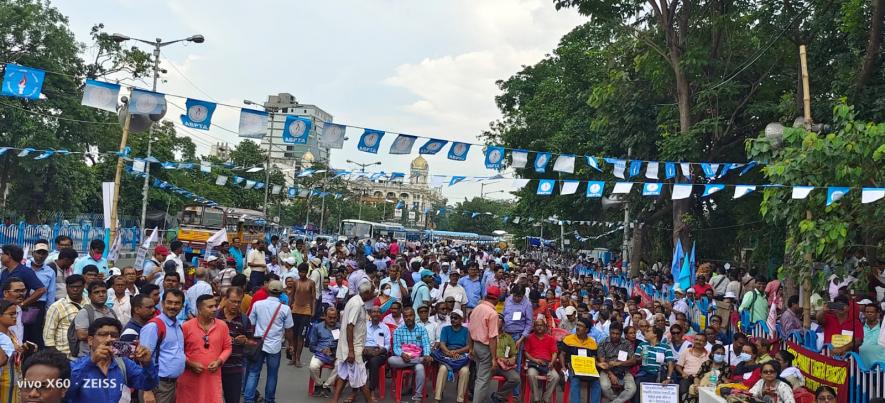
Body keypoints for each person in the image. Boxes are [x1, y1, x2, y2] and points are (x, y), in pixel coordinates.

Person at [177, 294, 232, 403]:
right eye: (210, 307)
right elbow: (178, 351)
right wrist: (190, 363)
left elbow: (227, 347)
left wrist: (219, 361)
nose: (214, 309)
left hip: (212, 378)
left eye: (215, 306)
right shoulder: (186, 326)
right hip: (190, 378)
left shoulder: (222, 326)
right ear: (200, 309)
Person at [245, 280, 293, 403]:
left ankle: (248, 399)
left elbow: (251, 324)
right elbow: (288, 330)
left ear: (268, 290)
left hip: (258, 344)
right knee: (272, 375)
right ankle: (269, 400)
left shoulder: (257, 305)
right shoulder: (285, 309)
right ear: (281, 292)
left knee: (253, 372)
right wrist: (290, 345)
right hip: (275, 346)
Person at [331, 282, 377, 403]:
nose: (373, 294)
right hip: (353, 349)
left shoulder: (356, 301)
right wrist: (351, 351)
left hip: (351, 347)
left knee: (343, 375)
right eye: (371, 292)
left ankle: (334, 400)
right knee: (361, 379)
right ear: (366, 293)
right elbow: (350, 327)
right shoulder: (356, 304)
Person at [139, 288, 186, 403]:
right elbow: (142, 359)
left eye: (177, 303)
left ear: (182, 306)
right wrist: (147, 390)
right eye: (169, 302)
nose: (173, 306)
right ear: (162, 303)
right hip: (157, 385)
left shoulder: (177, 325)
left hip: (171, 384)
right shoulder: (154, 326)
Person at [387, 306, 432, 401]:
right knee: (390, 360)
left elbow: (426, 344)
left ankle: (418, 396)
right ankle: (420, 360)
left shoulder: (421, 329)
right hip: (403, 359)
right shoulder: (398, 330)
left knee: (420, 369)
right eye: (406, 316)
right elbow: (396, 347)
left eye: (410, 315)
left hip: (417, 356)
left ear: (414, 316)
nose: (408, 318)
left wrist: (427, 354)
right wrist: (402, 354)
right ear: (403, 317)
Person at [468, 285, 500, 403]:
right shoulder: (493, 313)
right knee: (482, 380)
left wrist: (471, 348)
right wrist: (493, 358)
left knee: (479, 378)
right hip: (485, 348)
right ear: (496, 299)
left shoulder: (477, 308)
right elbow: (492, 338)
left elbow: (470, 331)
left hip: (476, 345)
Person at [218, 286, 251, 403]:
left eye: (239, 302)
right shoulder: (215, 317)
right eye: (233, 301)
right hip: (215, 368)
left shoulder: (244, 319)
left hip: (235, 369)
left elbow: (252, 342)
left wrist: (245, 341)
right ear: (225, 299)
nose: (236, 305)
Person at [559, 318, 602, 403]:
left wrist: (598, 365)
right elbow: (562, 354)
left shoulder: (592, 342)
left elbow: (593, 357)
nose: (577, 327)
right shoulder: (568, 339)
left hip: (588, 370)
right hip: (573, 369)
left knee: (596, 383)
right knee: (575, 381)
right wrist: (563, 367)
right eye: (577, 325)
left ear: (587, 330)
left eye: (581, 326)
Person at [432, 308, 470, 403]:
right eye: (452, 317)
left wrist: (457, 352)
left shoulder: (466, 331)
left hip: (461, 356)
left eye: (456, 318)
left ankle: (460, 399)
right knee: (442, 369)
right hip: (447, 356)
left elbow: (469, 346)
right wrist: (449, 353)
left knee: (465, 371)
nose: (453, 319)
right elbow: (442, 344)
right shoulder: (446, 329)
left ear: (461, 320)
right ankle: (437, 398)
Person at [43, 274, 84, 358]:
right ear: (66, 287)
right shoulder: (57, 306)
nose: (75, 289)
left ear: (84, 287)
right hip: (64, 355)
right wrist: (57, 357)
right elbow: (48, 336)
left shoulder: (89, 303)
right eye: (71, 287)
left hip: (85, 355)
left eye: (78, 287)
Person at [73, 280, 118, 358]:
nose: (101, 295)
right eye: (96, 292)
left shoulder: (112, 312)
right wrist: (105, 335)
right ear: (89, 296)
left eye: (103, 292)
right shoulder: (85, 312)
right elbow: (81, 335)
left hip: (109, 356)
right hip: (88, 357)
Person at [25, 240, 54, 348]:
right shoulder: (24, 266)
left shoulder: (49, 271)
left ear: (47, 255)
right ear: (33, 253)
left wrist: (48, 312)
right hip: (24, 303)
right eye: (39, 252)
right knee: (22, 332)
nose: (41, 255)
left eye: (44, 253)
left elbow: (51, 293)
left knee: (36, 333)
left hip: (39, 305)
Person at [524, 317, 560, 403]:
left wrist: (552, 362)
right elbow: (526, 352)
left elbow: (554, 353)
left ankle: (545, 398)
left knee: (556, 377)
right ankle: (536, 399)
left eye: (541, 325)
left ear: (545, 327)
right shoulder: (529, 337)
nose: (539, 327)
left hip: (547, 363)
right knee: (531, 375)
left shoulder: (550, 339)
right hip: (534, 362)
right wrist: (535, 360)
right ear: (534, 327)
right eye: (537, 325)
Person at [307, 307, 339, 397]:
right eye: (330, 317)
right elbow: (312, 346)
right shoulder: (317, 327)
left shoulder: (340, 327)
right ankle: (319, 384)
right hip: (321, 354)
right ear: (325, 316)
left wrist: (334, 351)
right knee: (313, 366)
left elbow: (344, 344)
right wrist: (322, 350)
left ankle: (326, 386)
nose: (332, 320)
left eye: (334, 318)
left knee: (341, 366)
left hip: (336, 354)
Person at [291, 262, 316, 367]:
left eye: (303, 272)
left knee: (301, 336)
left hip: (306, 311)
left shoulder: (311, 283)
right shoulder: (295, 282)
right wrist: (289, 307)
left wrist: (313, 311)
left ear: (307, 272)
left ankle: (298, 359)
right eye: (300, 272)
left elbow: (314, 298)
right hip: (295, 310)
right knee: (294, 336)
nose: (301, 274)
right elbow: (291, 296)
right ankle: (292, 358)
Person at [491, 315, 520, 403]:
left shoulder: (508, 337)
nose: (497, 322)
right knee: (482, 377)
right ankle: (475, 396)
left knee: (515, 379)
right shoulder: (488, 335)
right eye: (495, 320)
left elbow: (513, 354)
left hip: (504, 365)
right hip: (491, 363)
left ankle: (498, 395)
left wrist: (512, 359)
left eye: (499, 321)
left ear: (503, 324)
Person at [364, 306, 391, 399]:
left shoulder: (385, 327)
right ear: (370, 314)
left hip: (379, 352)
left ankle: (371, 390)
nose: (376, 314)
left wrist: (380, 351)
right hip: (365, 350)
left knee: (374, 362)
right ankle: (354, 390)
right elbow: (359, 340)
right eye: (374, 312)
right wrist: (364, 349)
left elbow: (387, 345)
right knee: (355, 360)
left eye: (378, 312)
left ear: (381, 314)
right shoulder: (364, 326)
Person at [676, 332, 709, 397]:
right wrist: (682, 373)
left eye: (701, 341)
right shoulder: (687, 351)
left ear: (705, 343)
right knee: (683, 390)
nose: (698, 342)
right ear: (693, 341)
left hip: (702, 380)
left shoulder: (709, 354)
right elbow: (678, 366)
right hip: (688, 378)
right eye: (696, 340)